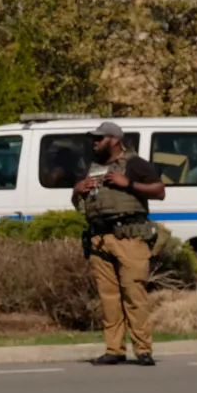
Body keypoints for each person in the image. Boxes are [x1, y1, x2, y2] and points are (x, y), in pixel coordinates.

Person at [72, 120, 165, 367]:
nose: (95, 142)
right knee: (109, 298)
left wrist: (130, 184)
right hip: (100, 240)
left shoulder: (135, 164)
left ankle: (143, 350)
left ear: (114, 139)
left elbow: (159, 191)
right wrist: (78, 190)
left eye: (99, 138)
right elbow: (80, 204)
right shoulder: (92, 168)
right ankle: (114, 349)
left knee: (134, 294)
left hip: (130, 238)